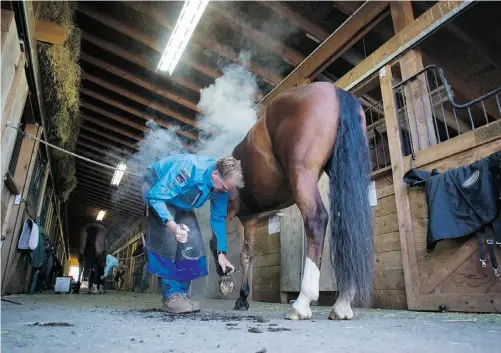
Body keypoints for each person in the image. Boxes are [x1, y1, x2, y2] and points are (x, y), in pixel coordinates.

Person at [142, 153, 244, 314]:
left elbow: (218, 219)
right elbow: (157, 198)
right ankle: (171, 296)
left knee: (193, 241)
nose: (225, 191)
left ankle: (181, 294)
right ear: (215, 173)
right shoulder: (188, 168)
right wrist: (173, 227)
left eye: (228, 188)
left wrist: (221, 253)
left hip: (181, 201)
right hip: (157, 190)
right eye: (224, 187)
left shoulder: (223, 189)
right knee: (168, 238)